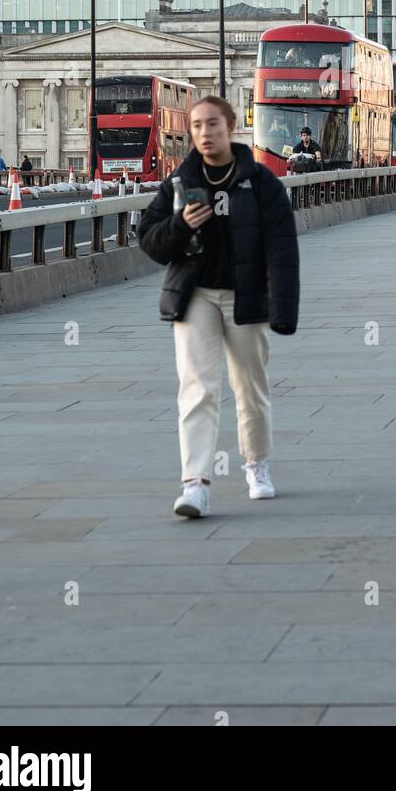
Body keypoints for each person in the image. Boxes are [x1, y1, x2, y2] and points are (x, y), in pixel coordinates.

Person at [138, 96, 300, 519]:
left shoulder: (261, 182)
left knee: (250, 388)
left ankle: (255, 465)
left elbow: (282, 251)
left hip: (245, 297)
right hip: (196, 296)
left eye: (213, 124)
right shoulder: (179, 181)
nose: (204, 133)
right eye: (196, 126)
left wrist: (283, 310)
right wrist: (180, 224)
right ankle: (195, 484)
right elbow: (149, 241)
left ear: (231, 127)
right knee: (197, 388)